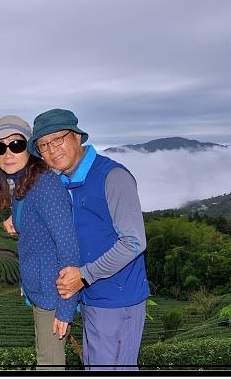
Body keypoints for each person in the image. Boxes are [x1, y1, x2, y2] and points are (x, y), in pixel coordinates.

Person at [25, 108, 151, 371]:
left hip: (118, 299)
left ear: (77, 137)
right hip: (90, 297)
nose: (52, 149)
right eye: (43, 145)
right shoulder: (60, 183)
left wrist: (85, 275)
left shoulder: (112, 177)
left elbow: (134, 242)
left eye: (58, 138)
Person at [0, 115, 80, 369]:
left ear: (30, 150)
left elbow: (69, 246)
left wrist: (65, 309)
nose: (7, 153)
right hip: (42, 291)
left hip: (53, 294)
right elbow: (39, 221)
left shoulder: (45, 185)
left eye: (16, 145)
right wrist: (16, 218)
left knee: (49, 365)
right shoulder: (25, 185)